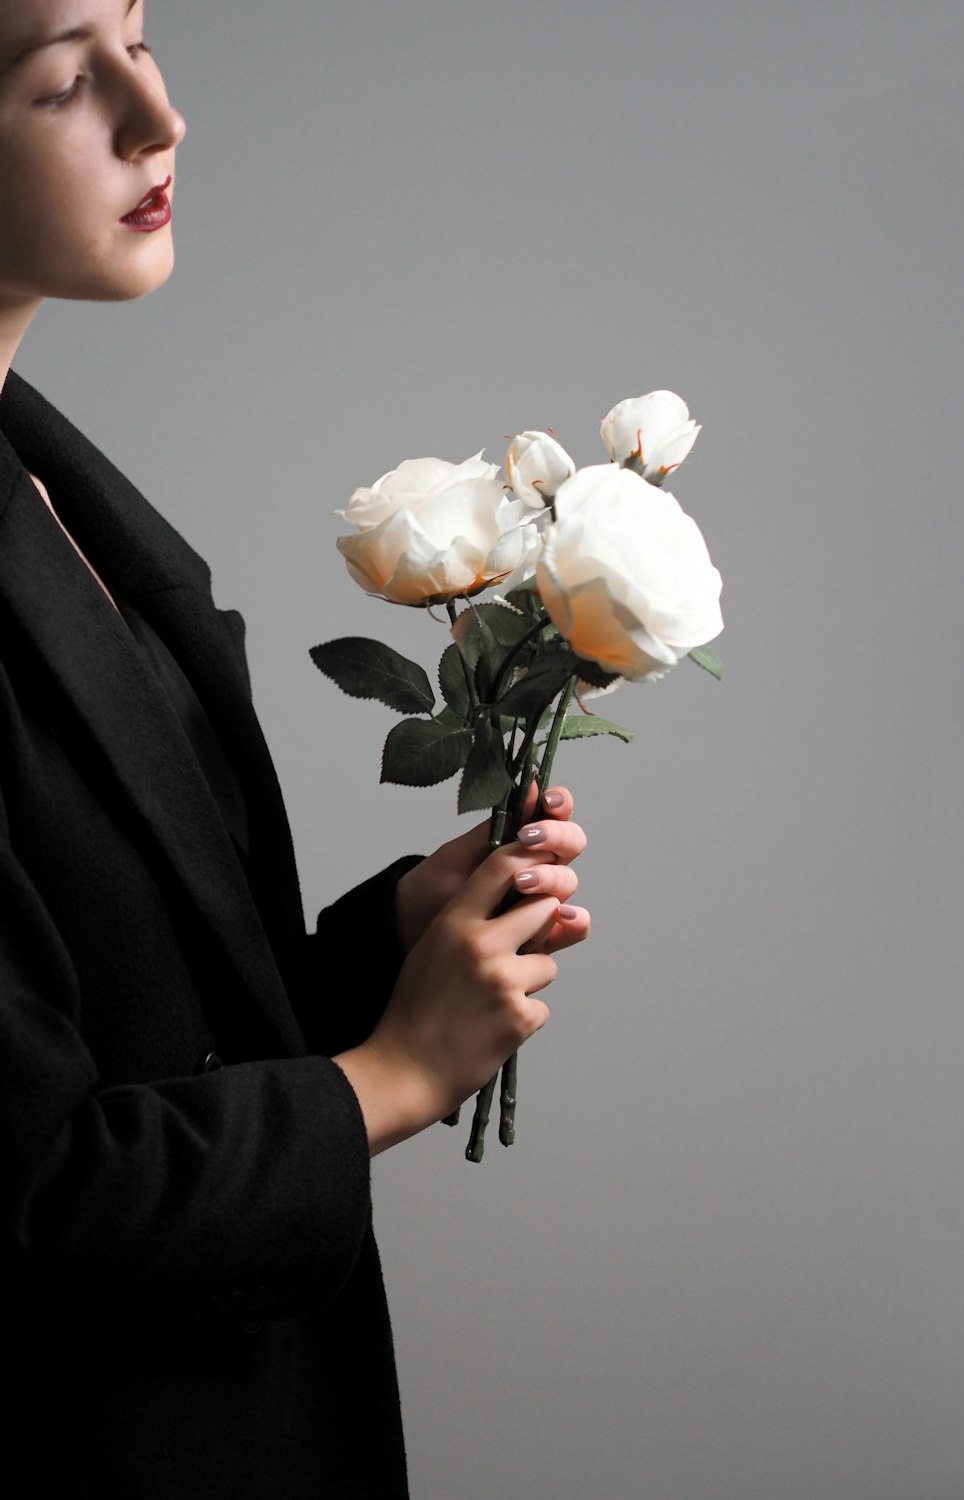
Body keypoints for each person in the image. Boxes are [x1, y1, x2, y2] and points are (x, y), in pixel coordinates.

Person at [0, 3, 590, 1495]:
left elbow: (126, 1017)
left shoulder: (45, 474)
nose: (159, 114)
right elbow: (33, 1194)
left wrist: (388, 943)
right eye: (68, 77)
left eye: (145, 30)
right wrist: (389, 1078)